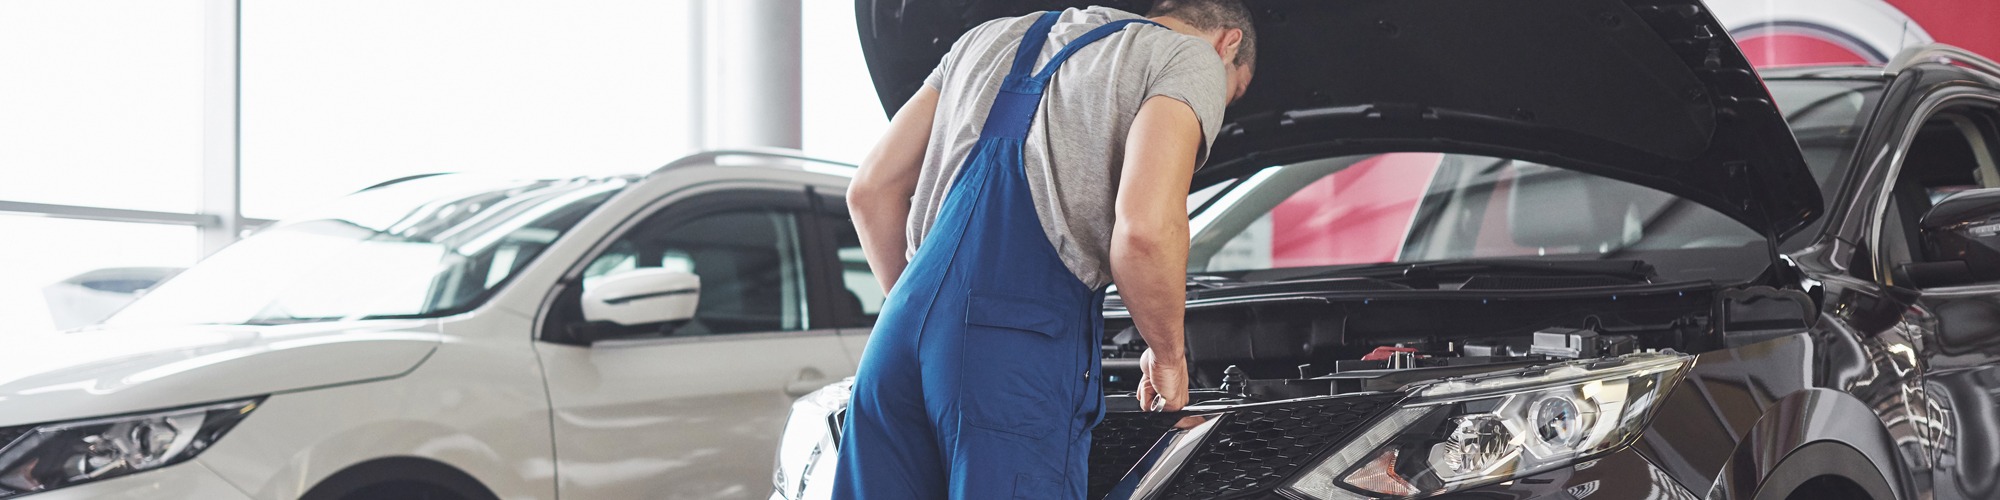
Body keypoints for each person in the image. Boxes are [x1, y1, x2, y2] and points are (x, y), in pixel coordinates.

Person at [835, 1, 1256, 498]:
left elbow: (870, 191)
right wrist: (1167, 356)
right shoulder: (1189, 56)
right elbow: (1144, 229)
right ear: (1228, 43)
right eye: (1234, 94)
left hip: (895, 340)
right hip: (1015, 344)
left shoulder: (984, 38)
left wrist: (931, 319)